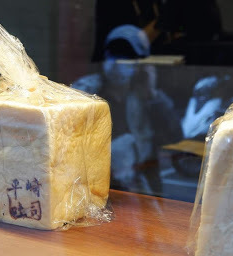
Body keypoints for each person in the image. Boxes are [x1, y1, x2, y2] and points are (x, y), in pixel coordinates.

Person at [73, 25, 182, 195]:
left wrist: (153, 95)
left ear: (141, 64)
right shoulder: (86, 91)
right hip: (99, 186)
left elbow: (175, 137)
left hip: (142, 188)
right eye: (113, 53)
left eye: (126, 56)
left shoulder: (146, 95)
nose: (117, 62)